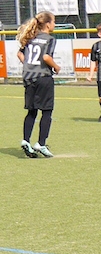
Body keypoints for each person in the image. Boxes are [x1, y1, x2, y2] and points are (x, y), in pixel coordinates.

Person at [17, 11, 60, 158]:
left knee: (32, 111)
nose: (54, 24)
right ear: (47, 24)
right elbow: (46, 57)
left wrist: (29, 65)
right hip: (43, 78)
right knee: (47, 111)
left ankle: (26, 140)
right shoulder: (49, 39)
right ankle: (41, 144)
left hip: (29, 77)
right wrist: (56, 67)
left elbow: (20, 54)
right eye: (53, 21)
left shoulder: (30, 37)